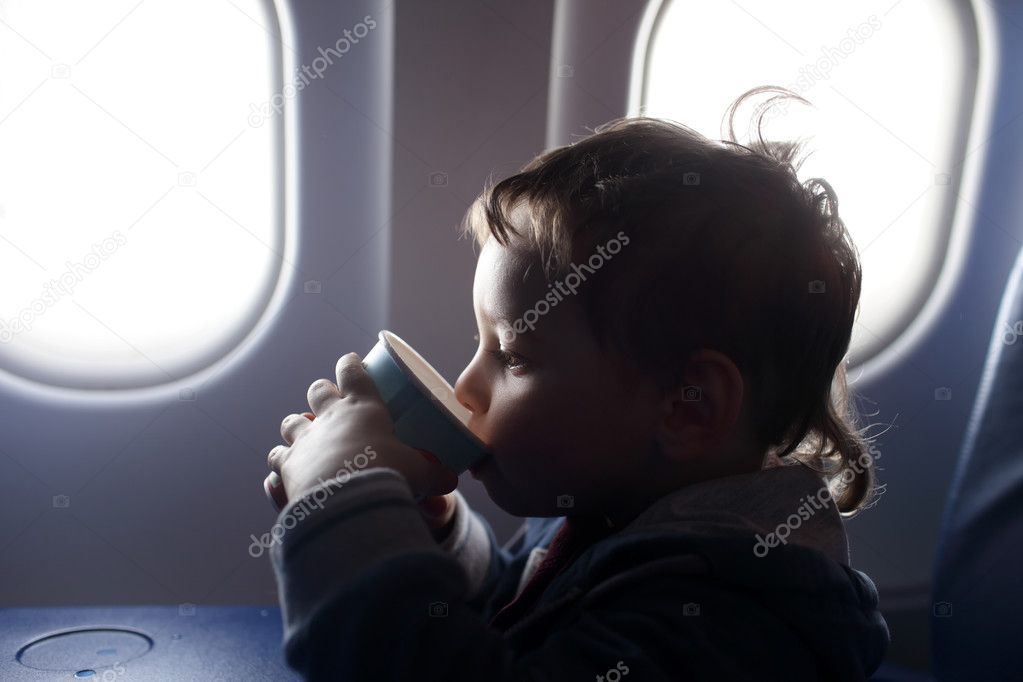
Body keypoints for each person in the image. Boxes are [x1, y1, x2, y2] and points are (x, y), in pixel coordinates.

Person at [265, 85, 890, 681]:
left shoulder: (729, 615)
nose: (465, 388)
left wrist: (342, 498)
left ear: (686, 405)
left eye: (513, 356)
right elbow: (526, 607)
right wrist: (437, 533)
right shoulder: (616, 502)